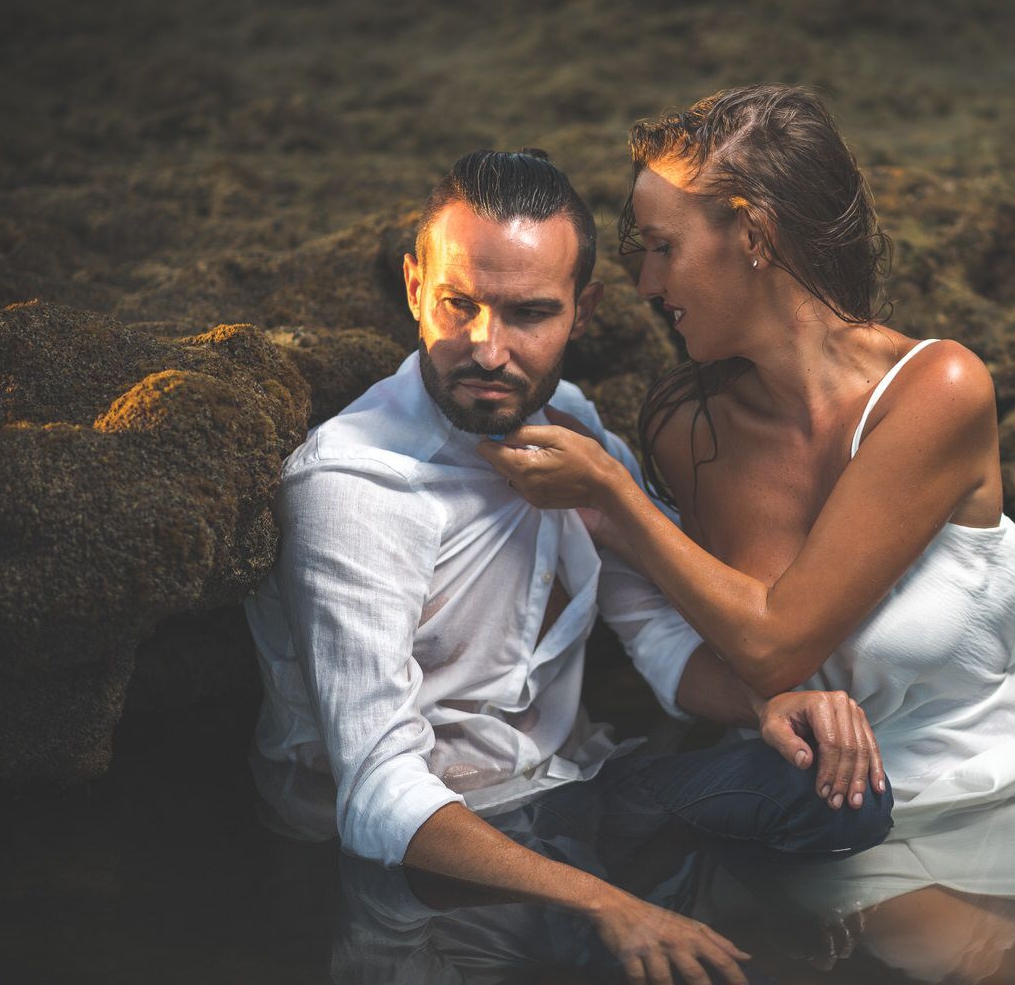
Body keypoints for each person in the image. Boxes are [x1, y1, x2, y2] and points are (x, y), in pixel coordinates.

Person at [480, 87, 1015, 984]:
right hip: (839, 806)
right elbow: (758, 664)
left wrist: (619, 501)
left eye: (663, 249)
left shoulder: (939, 390)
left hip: (1013, 771)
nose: (648, 285)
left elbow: (775, 631)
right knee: (986, 967)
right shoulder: (692, 429)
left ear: (755, 236)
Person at [243, 148, 894, 985]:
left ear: (582, 313)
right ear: (414, 289)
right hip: (413, 859)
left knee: (838, 789)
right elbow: (377, 799)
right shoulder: (357, 488)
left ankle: (728, 930)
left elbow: (656, 638)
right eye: (458, 305)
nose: (486, 347)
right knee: (620, 948)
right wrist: (608, 906)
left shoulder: (577, 436)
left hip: (576, 792)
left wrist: (769, 703)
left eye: (528, 314)